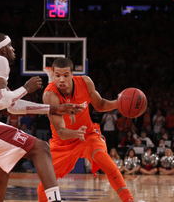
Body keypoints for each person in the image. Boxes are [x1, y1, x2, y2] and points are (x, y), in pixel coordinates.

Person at [0, 33, 83, 202]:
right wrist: (26, 88)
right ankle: (55, 200)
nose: (13, 49)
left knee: (2, 169)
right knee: (41, 148)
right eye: (10, 45)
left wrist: (53, 108)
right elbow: (0, 102)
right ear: (3, 49)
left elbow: (12, 106)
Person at [37, 58, 137, 202]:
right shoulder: (49, 95)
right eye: (57, 76)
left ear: (72, 74)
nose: (62, 79)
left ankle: (128, 200)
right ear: (54, 75)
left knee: (104, 158)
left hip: (87, 134)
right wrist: (75, 133)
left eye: (65, 75)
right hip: (62, 143)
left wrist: (118, 103)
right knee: (43, 187)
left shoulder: (85, 82)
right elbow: (60, 131)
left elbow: (100, 104)